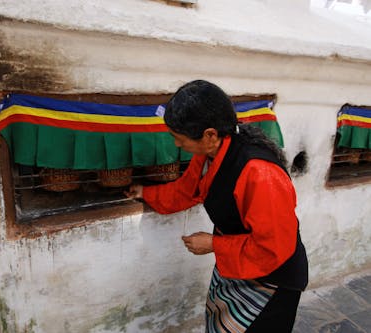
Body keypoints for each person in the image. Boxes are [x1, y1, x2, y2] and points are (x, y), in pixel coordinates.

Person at [124, 80, 308, 333]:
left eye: (180, 139)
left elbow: (273, 247)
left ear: (210, 134)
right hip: (237, 266)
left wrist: (213, 244)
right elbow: (186, 191)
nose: (177, 145)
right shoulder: (209, 153)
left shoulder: (260, 174)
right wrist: (146, 193)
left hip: (272, 279)